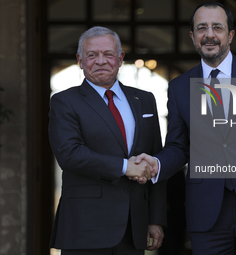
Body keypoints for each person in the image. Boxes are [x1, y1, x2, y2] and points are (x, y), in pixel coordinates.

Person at [135, 2, 236, 255]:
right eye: (202, 28)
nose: (209, 34)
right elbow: (179, 146)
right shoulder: (180, 87)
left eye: (217, 27)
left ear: (230, 35)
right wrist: (157, 164)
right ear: (193, 36)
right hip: (206, 211)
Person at [49, 26, 166, 255]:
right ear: (80, 60)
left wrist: (156, 219)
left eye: (108, 54)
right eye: (92, 55)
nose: (100, 61)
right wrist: (125, 167)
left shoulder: (144, 100)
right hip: (86, 226)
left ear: (120, 58)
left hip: (134, 227)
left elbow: (156, 160)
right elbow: (69, 154)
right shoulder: (64, 101)